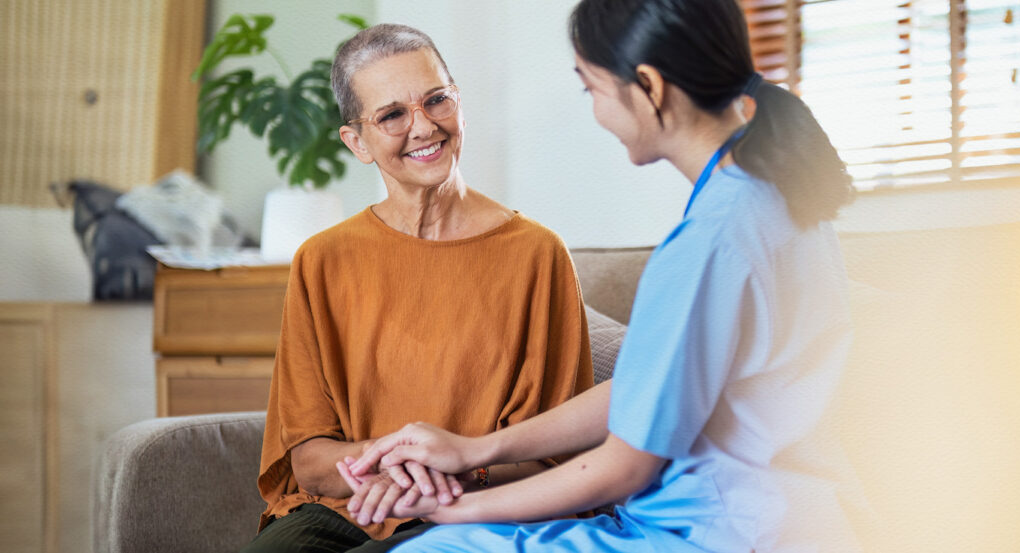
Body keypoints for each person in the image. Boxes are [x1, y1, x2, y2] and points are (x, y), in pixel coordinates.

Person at [340, 0, 856, 550]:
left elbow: (621, 469)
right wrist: (475, 450)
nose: (596, 112)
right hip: (787, 515)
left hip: (716, 531)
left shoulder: (709, 245)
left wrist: (450, 509)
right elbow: (646, 388)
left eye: (592, 89)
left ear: (649, 87)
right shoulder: (781, 200)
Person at [239, 23, 595, 553]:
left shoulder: (537, 255)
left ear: (459, 105)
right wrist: (397, 470)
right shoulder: (321, 261)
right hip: (352, 507)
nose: (424, 126)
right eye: (392, 115)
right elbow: (309, 460)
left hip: (484, 507)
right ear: (357, 142)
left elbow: (558, 458)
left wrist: (442, 478)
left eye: (436, 101)